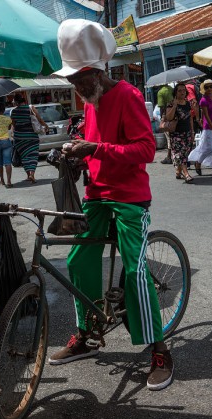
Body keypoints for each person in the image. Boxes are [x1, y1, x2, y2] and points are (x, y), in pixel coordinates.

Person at [49, 19, 174, 391]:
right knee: (77, 260)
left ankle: (159, 350)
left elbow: (146, 150)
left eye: (80, 81)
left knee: (136, 272)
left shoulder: (128, 96)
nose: (76, 88)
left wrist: (96, 148)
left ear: (99, 73)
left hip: (130, 198)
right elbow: (92, 145)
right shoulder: (91, 102)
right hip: (97, 195)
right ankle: (86, 335)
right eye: (72, 82)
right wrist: (76, 152)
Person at [10, 94, 45, 183]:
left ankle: (28, 175)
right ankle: (32, 174)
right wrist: (45, 125)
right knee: (33, 155)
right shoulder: (30, 108)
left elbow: (13, 125)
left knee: (24, 156)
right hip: (31, 136)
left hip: (19, 137)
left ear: (16, 102)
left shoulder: (13, 112)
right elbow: (39, 119)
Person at [165, 83, 195, 183]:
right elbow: (168, 118)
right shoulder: (171, 103)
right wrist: (174, 106)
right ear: (175, 92)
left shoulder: (187, 103)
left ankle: (178, 171)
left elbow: (190, 118)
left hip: (186, 133)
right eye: (180, 90)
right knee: (180, 154)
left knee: (185, 153)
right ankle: (186, 173)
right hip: (176, 134)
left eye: (184, 90)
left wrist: (192, 131)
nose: (182, 92)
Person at [157, 85, 174, 164]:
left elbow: (161, 107)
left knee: (168, 137)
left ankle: (169, 156)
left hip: (167, 116)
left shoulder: (161, 92)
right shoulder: (172, 89)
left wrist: (162, 118)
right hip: (174, 115)